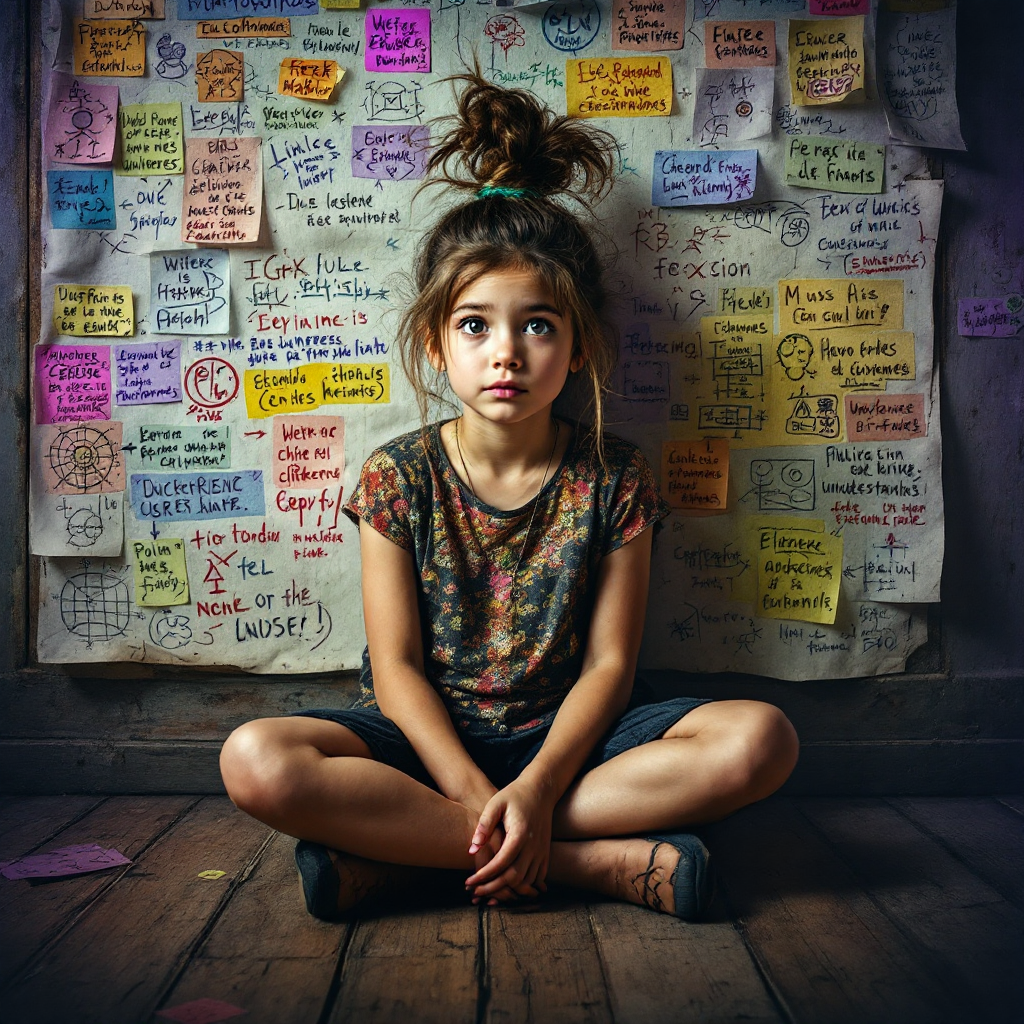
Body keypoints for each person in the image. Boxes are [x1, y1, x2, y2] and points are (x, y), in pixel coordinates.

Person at [220, 74, 799, 922]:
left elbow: (609, 665)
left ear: (578, 344)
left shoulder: (615, 478)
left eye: (537, 324)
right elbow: (398, 670)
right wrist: (470, 786)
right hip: (428, 748)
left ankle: (412, 861)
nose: (507, 353)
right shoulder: (397, 477)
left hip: (577, 748)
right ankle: (588, 866)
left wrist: (534, 786)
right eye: (475, 324)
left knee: (762, 740)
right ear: (434, 340)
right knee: (256, 759)